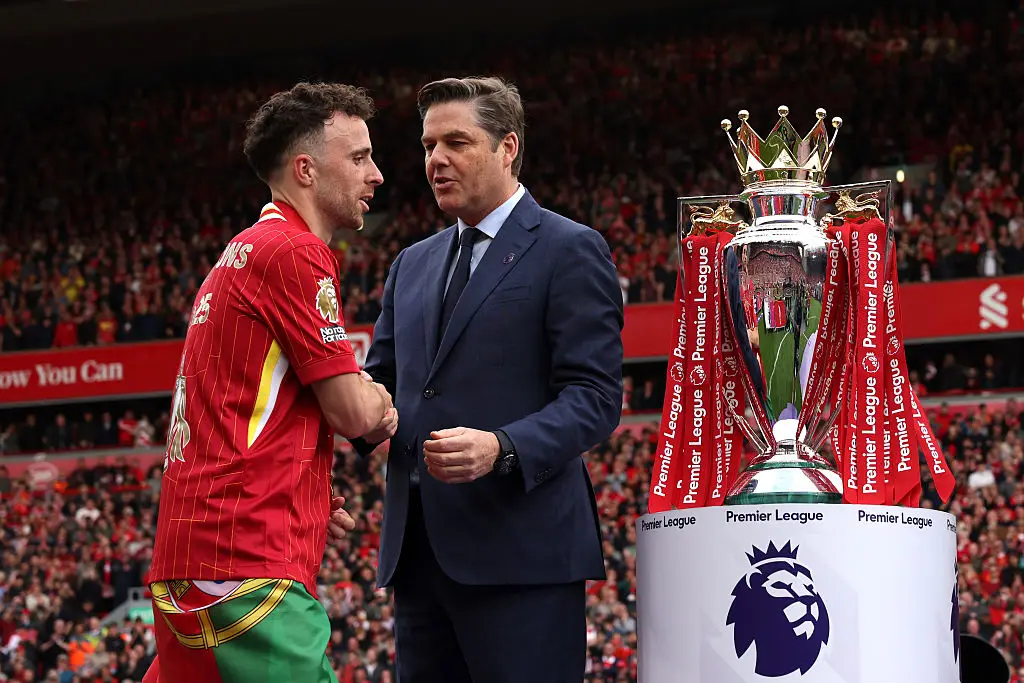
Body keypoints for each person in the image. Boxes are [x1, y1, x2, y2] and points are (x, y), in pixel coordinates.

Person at [352, 76, 624, 683]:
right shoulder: (410, 264)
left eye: (456, 142)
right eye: (427, 146)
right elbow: (381, 386)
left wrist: (502, 447)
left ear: (508, 147)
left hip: (521, 556)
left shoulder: (570, 249)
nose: (436, 160)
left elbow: (596, 398)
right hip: (419, 557)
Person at [142, 82, 397, 683]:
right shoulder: (293, 252)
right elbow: (353, 412)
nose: (377, 174)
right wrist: (381, 403)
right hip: (245, 565)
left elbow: (253, 411)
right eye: (359, 157)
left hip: (194, 557)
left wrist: (306, 502)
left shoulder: (240, 254)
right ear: (305, 169)